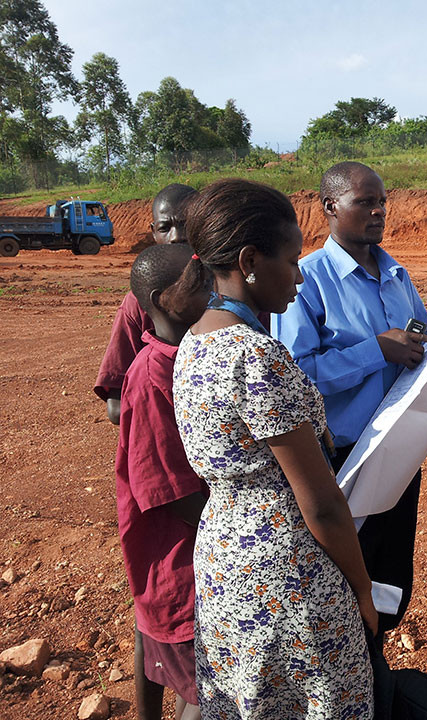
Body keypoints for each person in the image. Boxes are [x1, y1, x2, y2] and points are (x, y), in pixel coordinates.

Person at [169, 179, 374, 719]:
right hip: (287, 570)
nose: (300, 276)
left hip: (223, 558)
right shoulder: (257, 357)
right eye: (291, 260)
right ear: (249, 260)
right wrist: (362, 591)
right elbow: (322, 504)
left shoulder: (193, 342)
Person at [273, 161, 427, 643]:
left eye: (382, 201)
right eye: (364, 202)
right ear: (329, 207)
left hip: (400, 449)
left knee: (390, 569)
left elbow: (424, 336)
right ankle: (352, 675)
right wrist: (376, 351)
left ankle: (376, 665)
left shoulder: (396, 273)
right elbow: (296, 375)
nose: (378, 211)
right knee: (345, 575)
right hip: (342, 459)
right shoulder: (306, 280)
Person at [115, 243, 210, 720]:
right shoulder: (152, 373)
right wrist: (231, 526)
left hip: (195, 553)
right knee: (203, 689)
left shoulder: (187, 355)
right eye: (198, 284)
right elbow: (170, 491)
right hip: (180, 560)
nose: (211, 290)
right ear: (158, 300)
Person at [94, 183, 197, 424]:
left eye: (187, 225)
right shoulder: (137, 302)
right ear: (153, 233)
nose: (177, 237)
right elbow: (116, 407)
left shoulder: (230, 289)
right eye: (165, 227)